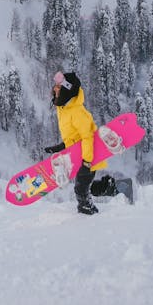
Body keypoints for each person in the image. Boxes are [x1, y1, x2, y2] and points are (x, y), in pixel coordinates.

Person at [45, 71, 119, 215]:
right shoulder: (64, 109)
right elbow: (74, 136)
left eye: (58, 88)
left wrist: (87, 162)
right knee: (83, 186)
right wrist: (61, 146)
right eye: (55, 87)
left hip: (88, 155)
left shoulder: (77, 111)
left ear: (66, 91)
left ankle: (88, 212)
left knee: (80, 189)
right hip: (80, 154)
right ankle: (108, 187)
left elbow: (87, 137)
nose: (54, 89)